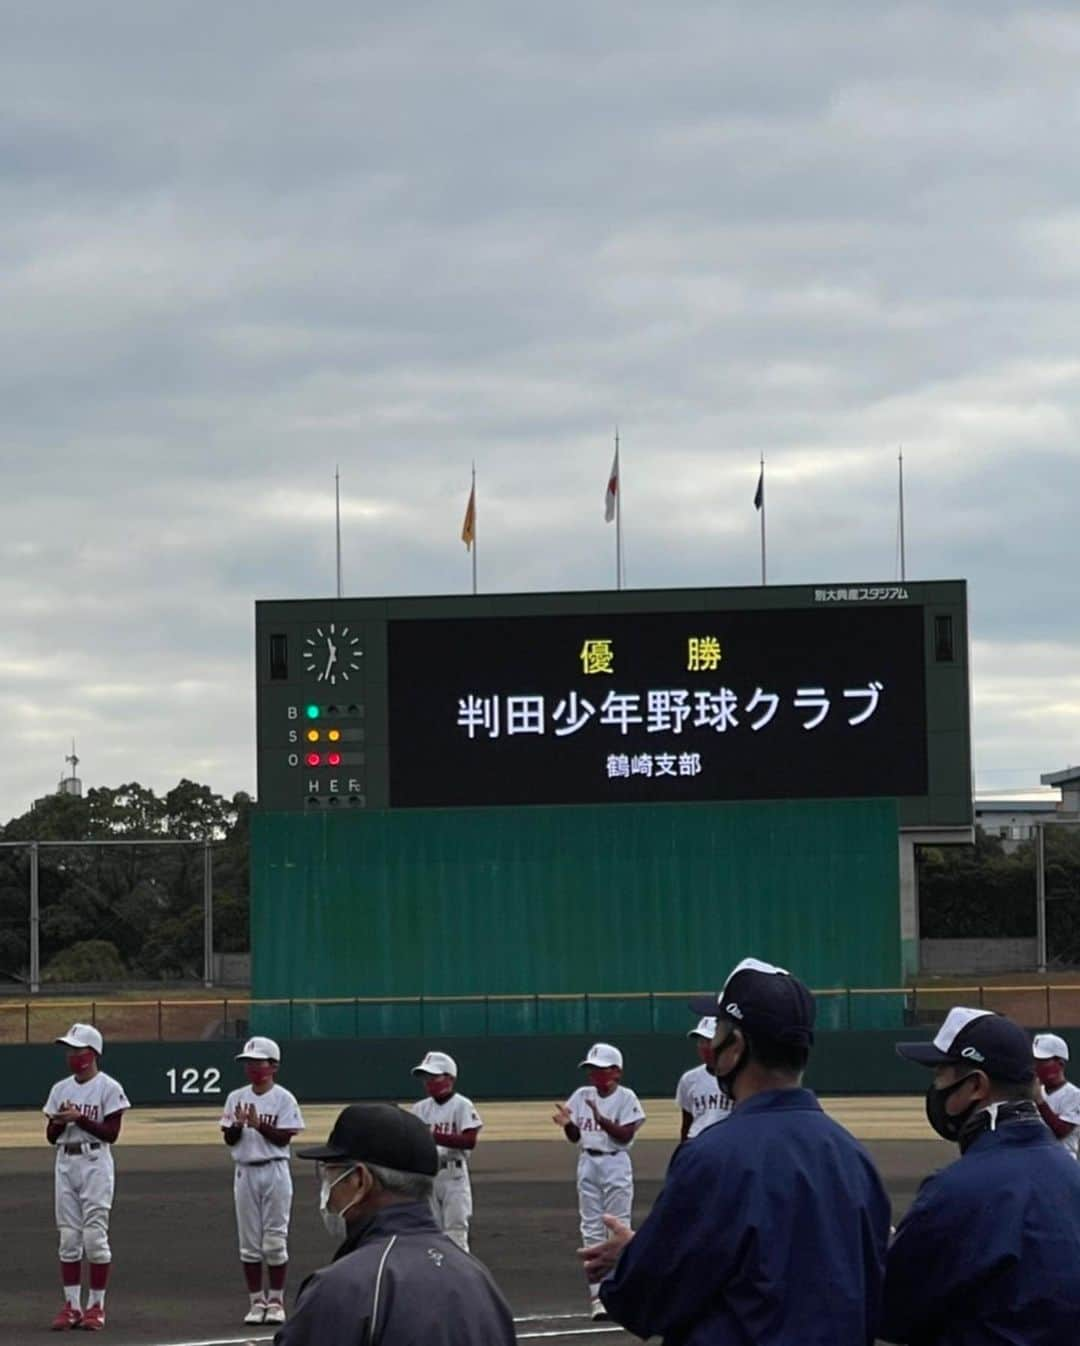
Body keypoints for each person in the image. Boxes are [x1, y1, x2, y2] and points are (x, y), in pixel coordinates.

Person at [581, 958, 891, 1344]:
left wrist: (630, 1256)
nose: (710, 1044)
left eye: (719, 1032)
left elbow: (643, 1299)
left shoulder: (712, 1158)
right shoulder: (854, 1158)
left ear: (736, 1047)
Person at [881, 1007, 1080, 1344]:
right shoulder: (1071, 1177)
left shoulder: (955, 1191)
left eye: (940, 1075)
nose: (935, 1089)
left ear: (975, 1086)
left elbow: (893, 1313)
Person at [274, 1102, 515, 1345]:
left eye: (330, 1174)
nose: (328, 1190)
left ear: (360, 1180)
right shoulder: (479, 1278)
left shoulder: (342, 1287)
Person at [43, 1023, 131, 1332]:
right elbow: (51, 1136)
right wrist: (59, 1121)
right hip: (66, 1162)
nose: (72, 1056)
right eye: (70, 1050)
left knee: (94, 1237)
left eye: (77, 1050)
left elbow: (111, 1133)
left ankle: (96, 1306)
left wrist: (79, 1118)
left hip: (95, 1160)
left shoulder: (108, 1087)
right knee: (68, 1237)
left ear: (92, 1053)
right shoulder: (60, 1089)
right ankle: (72, 1306)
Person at [553, 1042, 645, 1321]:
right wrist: (568, 1124)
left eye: (600, 1069)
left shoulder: (627, 1097)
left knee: (618, 1226)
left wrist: (601, 1119)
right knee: (591, 1228)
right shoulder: (582, 1095)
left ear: (616, 1071)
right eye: (591, 1070)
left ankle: (622, 1291)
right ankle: (597, 1296)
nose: (594, 1075)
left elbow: (624, 1136)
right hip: (588, 1162)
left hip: (615, 1162)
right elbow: (576, 1137)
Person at [220, 1036, 304, 1326]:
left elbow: (284, 1138)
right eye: (249, 1063)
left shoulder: (284, 1098)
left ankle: (277, 1300)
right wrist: (238, 1125)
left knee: (274, 1242)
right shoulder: (236, 1097)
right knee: (249, 1244)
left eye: (258, 1062)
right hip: (245, 1170)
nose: (253, 1068)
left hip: (275, 1170)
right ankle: (256, 1301)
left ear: (273, 1065)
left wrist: (259, 1124)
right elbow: (229, 1139)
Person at [409, 1050, 483, 1250]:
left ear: (449, 1078)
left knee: (456, 1232)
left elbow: (469, 1140)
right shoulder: (419, 1109)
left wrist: (431, 1136)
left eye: (433, 1077)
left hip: (454, 1176)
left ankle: (458, 1277)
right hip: (428, 1176)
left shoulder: (462, 1105)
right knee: (429, 1232)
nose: (428, 1082)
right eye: (426, 1078)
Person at [675, 1016, 733, 1142]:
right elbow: (687, 1122)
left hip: (727, 1143)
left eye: (709, 1041)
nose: (705, 1047)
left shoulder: (739, 1078)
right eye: (701, 1041)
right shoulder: (689, 1079)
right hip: (697, 1141)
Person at [1033, 1031, 1080, 1159]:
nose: (1037, 1065)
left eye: (1043, 1061)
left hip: (1064, 1163)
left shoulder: (1074, 1095)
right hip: (1038, 1162)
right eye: (1035, 1061)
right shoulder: (1036, 1092)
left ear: (1060, 1064)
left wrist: (1039, 1101)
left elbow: (1061, 1131)